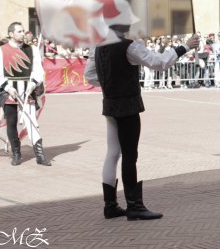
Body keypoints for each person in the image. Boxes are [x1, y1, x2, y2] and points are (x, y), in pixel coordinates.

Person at [84, 25, 199, 221]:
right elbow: (159, 62)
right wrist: (185, 47)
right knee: (130, 155)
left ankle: (110, 206)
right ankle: (134, 206)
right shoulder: (129, 46)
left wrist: (112, 82)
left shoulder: (99, 45)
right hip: (127, 105)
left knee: (113, 153)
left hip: (110, 103)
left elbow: (90, 75)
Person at [0, 22, 50, 167]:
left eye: (23, 31)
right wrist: (7, 87)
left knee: (31, 122)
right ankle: (16, 153)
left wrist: (33, 83)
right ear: (11, 34)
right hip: (9, 92)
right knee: (11, 123)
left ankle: (40, 155)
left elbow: (38, 70)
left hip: (28, 92)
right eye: (19, 31)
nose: (22, 33)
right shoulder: (0, 51)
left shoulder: (32, 50)